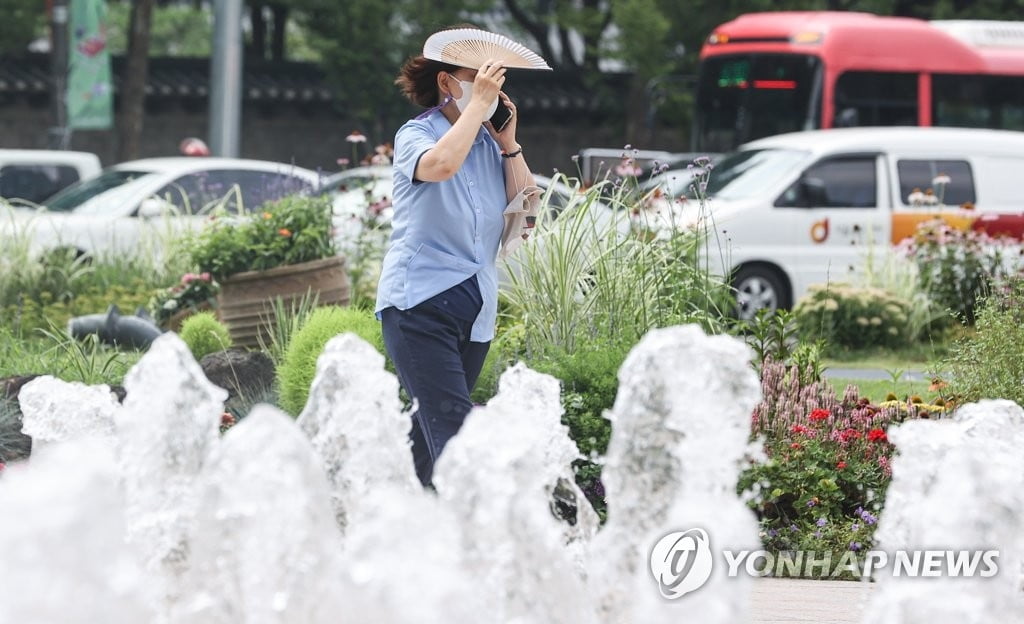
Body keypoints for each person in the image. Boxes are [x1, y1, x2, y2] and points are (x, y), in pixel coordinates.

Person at [375, 28, 538, 487]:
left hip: (476, 312)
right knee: (457, 437)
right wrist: (476, 110)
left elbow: (526, 209)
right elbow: (441, 166)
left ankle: (385, 518)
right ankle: (476, 547)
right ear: (448, 83)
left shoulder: (489, 144)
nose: (490, 89)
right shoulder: (417, 134)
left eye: (495, 81)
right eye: (478, 79)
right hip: (420, 306)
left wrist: (508, 142)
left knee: (427, 444)